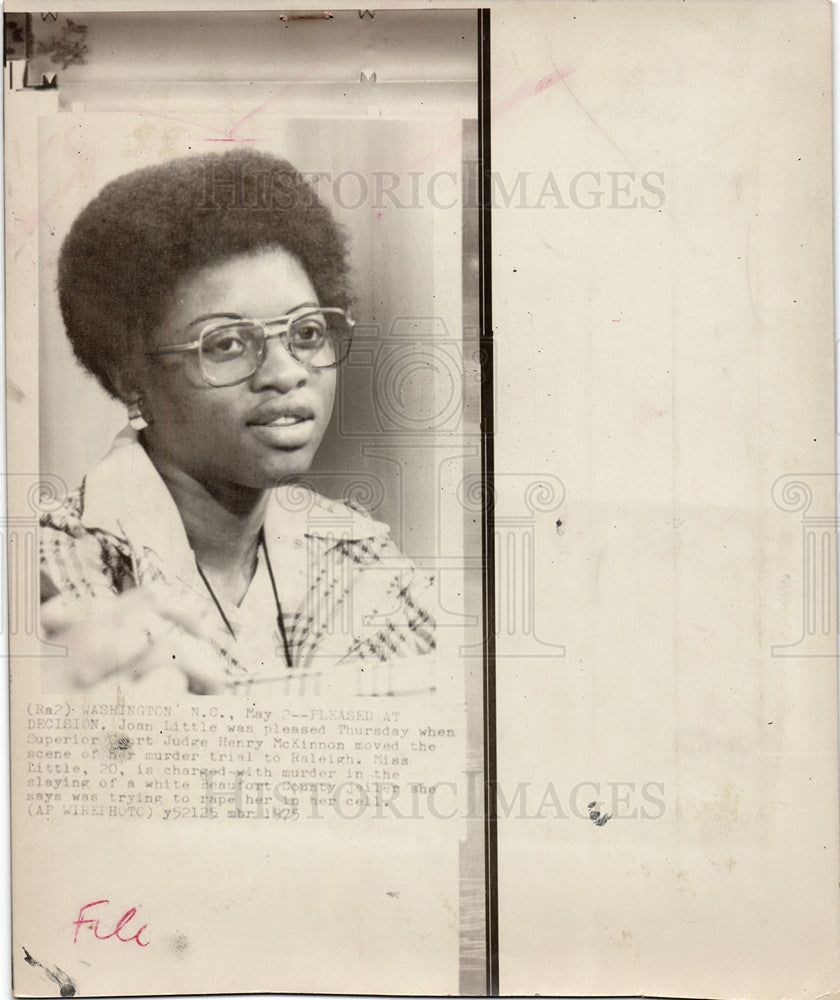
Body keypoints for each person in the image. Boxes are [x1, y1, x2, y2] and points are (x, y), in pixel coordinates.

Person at [39, 150, 436, 697]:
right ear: (131, 380)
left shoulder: (364, 560)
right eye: (226, 343)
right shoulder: (54, 574)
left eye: (306, 333)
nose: (285, 373)